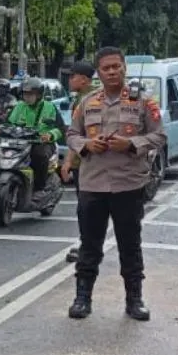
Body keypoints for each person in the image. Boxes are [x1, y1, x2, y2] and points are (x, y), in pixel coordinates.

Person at [66, 46, 167, 321]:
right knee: (89, 245)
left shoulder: (144, 102)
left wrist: (131, 144)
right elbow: (72, 134)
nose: (112, 71)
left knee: (130, 245)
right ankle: (82, 298)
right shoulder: (87, 103)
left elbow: (159, 136)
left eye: (116, 66)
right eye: (106, 68)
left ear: (125, 68)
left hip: (127, 185)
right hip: (92, 185)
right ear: (98, 73)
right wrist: (87, 144)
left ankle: (134, 299)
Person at [0, 76, 62, 198]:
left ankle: (39, 188)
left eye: (31, 94)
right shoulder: (19, 106)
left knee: (39, 155)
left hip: (41, 142)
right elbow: (8, 122)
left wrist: (50, 135)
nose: (28, 96)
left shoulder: (49, 107)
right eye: (25, 94)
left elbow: (60, 128)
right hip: (21, 142)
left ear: (39, 94)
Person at [61, 61, 96, 263]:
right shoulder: (85, 98)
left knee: (86, 207)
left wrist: (67, 162)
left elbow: (79, 134)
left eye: (72, 76)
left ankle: (87, 246)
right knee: (86, 207)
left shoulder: (87, 100)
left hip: (85, 164)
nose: (69, 80)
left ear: (83, 79)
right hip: (87, 163)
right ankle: (87, 244)